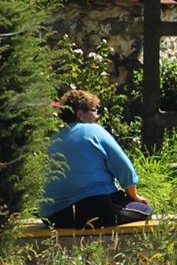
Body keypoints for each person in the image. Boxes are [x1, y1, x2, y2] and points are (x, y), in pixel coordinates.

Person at [39, 90, 151, 228]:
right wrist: (135, 196)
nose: (97, 115)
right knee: (145, 209)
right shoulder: (94, 131)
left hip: (52, 216)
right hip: (93, 210)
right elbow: (124, 167)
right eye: (94, 110)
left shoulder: (53, 139)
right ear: (80, 114)